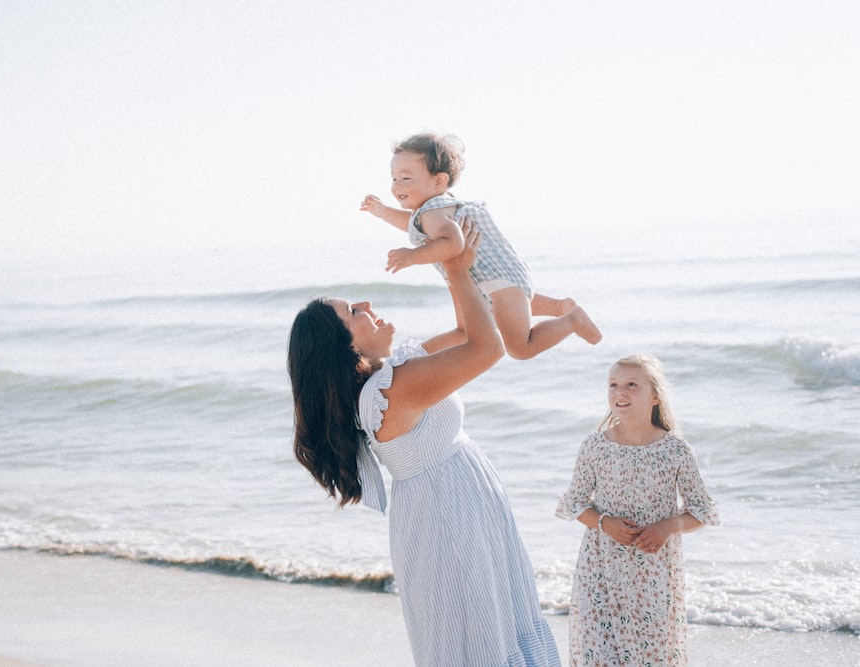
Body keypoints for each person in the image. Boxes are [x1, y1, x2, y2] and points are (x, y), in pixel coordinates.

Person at [288, 224, 560, 667]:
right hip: (447, 516)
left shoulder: (396, 370)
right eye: (355, 310)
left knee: (490, 620)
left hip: (458, 503)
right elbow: (487, 349)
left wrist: (455, 261)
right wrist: (454, 268)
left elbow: (467, 328)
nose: (369, 305)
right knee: (475, 632)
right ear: (347, 346)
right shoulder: (389, 391)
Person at [361, 131, 602, 360]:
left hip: (497, 282)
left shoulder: (433, 211)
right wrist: (382, 212)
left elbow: (453, 242)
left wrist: (413, 256)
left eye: (406, 178)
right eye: (394, 178)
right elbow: (413, 225)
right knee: (470, 329)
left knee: (520, 347)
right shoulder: (432, 210)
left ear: (439, 181)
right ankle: (560, 306)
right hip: (499, 280)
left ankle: (572, 320)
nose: (397, 185)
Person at [555, 354, 720, 666]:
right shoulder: (594, 446)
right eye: (614, 385)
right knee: (598, 656)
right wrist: (604, 523)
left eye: (632, 385)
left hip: (652, 577)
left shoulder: (675, 450)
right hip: (599, 572)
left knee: (649, 657)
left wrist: (668, 526)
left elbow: (701, 511)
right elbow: (574, 503)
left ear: (655, 396)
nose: (621, 392)